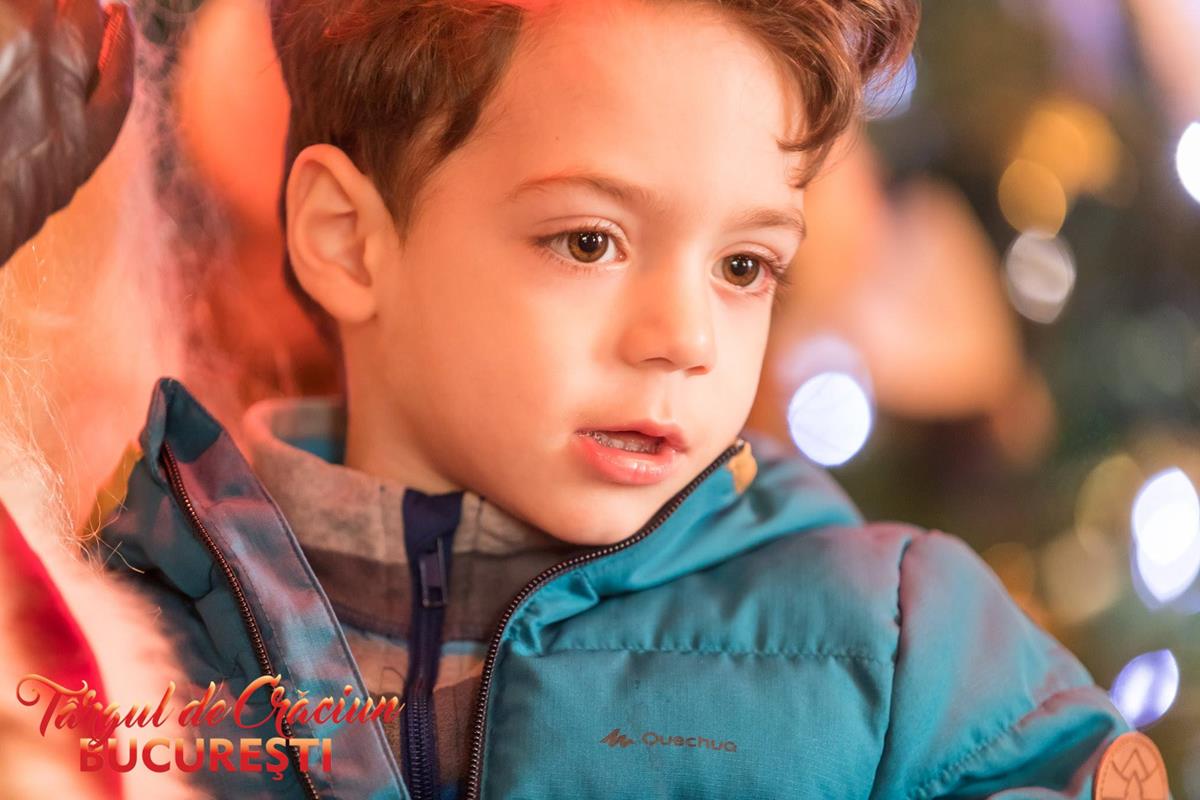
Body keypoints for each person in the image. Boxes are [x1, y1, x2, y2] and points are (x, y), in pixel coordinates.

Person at [88, 1, 1171, 798]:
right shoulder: (131, 622)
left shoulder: (903, 646)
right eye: (590, 241)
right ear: (348, 241)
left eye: (743, 266)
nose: (685, 340)